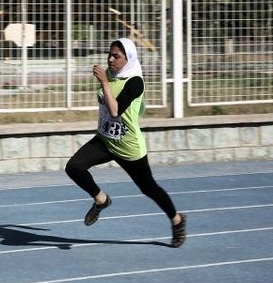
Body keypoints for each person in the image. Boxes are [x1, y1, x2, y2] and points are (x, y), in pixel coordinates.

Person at [65, 37, 187, 247]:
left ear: (128, 59)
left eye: (116, 56)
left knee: (149, 188)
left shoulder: (135, 81)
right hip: (105, 140)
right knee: (74, 167)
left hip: (128, 147)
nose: (111, 59)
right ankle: (101, 200)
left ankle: (177, 220)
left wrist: (104, 82)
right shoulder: (111, 74)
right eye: (109, 54)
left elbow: (115, 111)